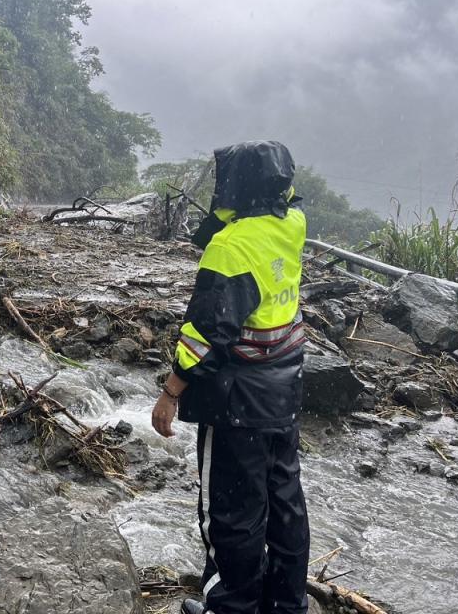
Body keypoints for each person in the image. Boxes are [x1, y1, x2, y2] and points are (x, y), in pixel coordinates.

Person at [151, 141, 310, 614]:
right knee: (284, 503)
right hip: (284, 389)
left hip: (239, 399)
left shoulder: (231, 246)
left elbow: (206, 335)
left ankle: (230, 605)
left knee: (231, 513)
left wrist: (170, 392)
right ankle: (286, 603)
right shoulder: (292, 225)